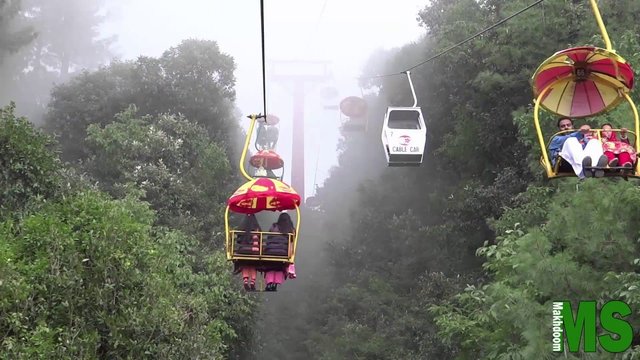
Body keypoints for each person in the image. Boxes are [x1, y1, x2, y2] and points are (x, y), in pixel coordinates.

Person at [264, 213, 296, 291]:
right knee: (280, 267)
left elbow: (269, 238)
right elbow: (292, 242)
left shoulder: (274, 226)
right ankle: (275, 283)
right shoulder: (291, 229)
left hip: (271, 251)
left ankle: (269, 283)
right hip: (283, 253)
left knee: (270, 266)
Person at [234, 214, 262, 291]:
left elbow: (238, 240)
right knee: (253, 265)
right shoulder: (257, 228)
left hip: (243, 251)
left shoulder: (242, 228)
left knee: (245, 264)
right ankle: (252, 281)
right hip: (254, 252)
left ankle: (245, 280)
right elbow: (259, 239)